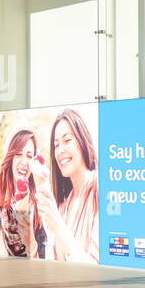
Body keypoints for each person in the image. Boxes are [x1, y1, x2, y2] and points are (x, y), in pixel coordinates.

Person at [33, 108, 98, 264]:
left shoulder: (99, 191)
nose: (60, 150)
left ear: (82, 141)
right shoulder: (63, 203)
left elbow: (97, 270)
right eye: (56, 145)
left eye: (67, 140)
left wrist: (57, 225)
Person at [0, 128, 46, 258]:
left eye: (29, 156)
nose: (24, 162)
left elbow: (42, 259)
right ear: (10, 158)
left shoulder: (39, 204)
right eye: (18, 154)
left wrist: (25, 222)